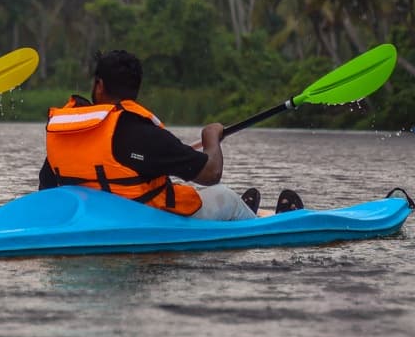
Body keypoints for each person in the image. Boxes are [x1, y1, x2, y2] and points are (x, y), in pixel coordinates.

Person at [38, 50, 299, 220]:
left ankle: (249, 213)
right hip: (144, 219)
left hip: (87, 219)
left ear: (99, 85)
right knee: (224, 196)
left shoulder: (65, 132)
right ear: (135, 90)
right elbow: (210, 174)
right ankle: (263, 221)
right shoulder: (143, 133)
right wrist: (211, 137)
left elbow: (46, 188)